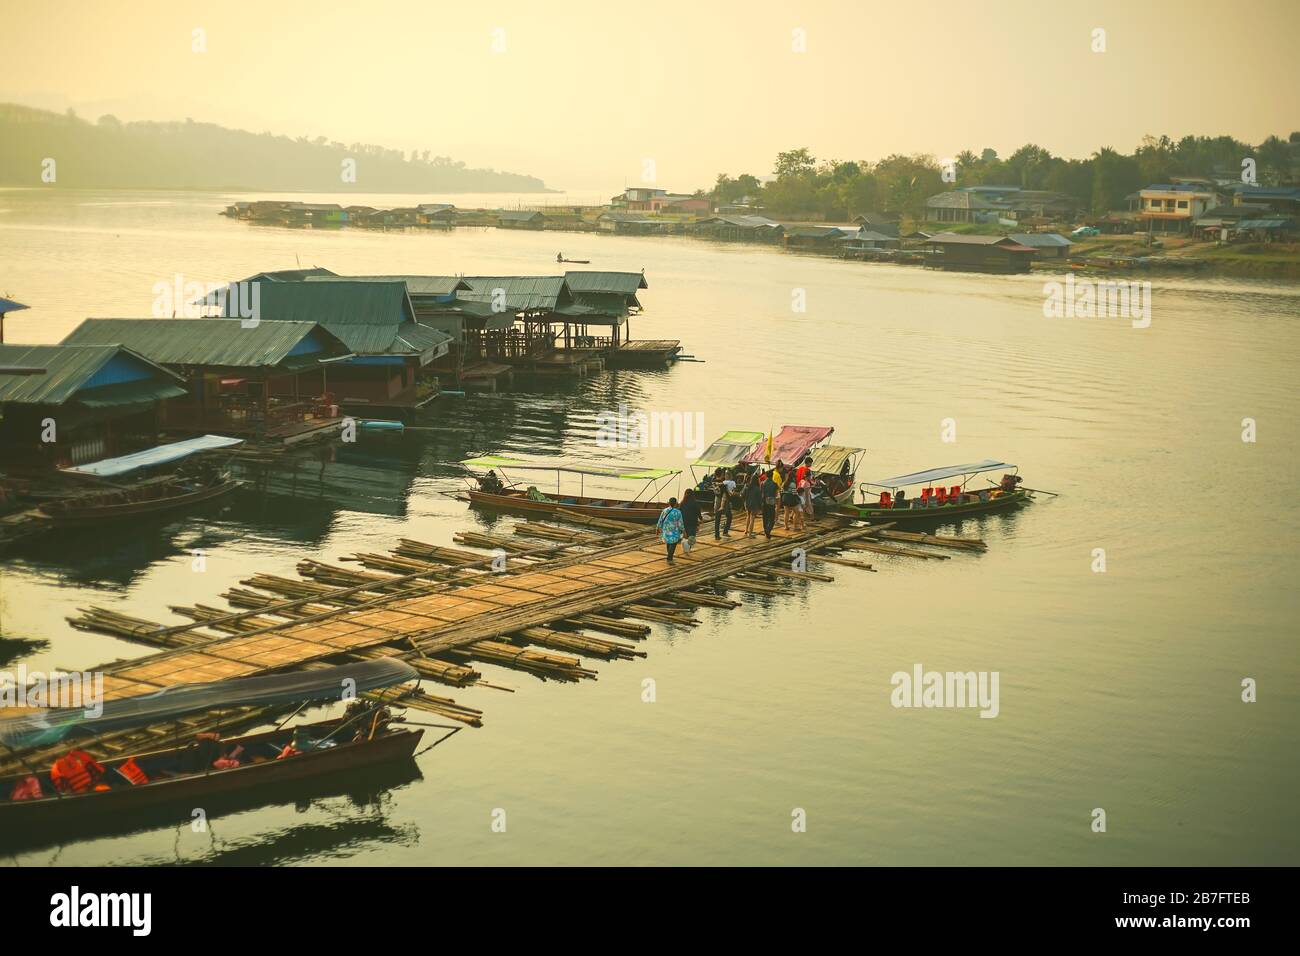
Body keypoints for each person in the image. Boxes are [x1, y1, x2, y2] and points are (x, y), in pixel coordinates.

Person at [656, 496, 685, 563]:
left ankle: (669, 555)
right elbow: (680, 523)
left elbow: (660, 520)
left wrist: (657, 528)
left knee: (668, 543)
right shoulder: (678, 512)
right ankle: (669, 558)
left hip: (666, 529)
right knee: (673, 543)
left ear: (669, 503)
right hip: (674, 530)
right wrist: (683, 531)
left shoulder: (665, 510)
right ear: (676, 503)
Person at [713, 468, 736, 539]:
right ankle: (725, 531)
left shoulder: (713, 482)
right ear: (722, 474)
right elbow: (726, 493)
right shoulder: (723, 483)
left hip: (716, 501)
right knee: (729, 516)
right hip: (724, 501)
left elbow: (716, 492)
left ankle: (717, 535)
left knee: (717, 518)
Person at [680, 488, 702, 553]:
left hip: (684, 522)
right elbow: (698, 513)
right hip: (693, 523)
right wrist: (701, 519)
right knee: (691, 536)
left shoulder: (682, 503)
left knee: (685, 536)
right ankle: (688, 549)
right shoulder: (695, 503)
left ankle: (685, 549)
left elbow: (680, 512)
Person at [760, 470, 779, 539]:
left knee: (765, 517)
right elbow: (776, 494)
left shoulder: (763, 483)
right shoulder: (775, 484)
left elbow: (761, 493)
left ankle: (766, 530)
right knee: (772, 518)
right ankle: (768, 530)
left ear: (766, 475)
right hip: (771, 501)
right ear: (772, 475)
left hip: (764, 501)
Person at [742, 471, 762, 537]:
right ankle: (750, 534)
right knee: (752, 518)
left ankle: (746, 530)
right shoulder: (757, 489)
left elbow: (742, 494)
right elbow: (759, 499)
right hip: (754, 505)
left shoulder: (747, 486)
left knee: (748, 516)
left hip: (747, 504)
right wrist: (760, 507)